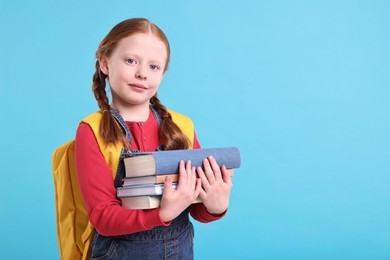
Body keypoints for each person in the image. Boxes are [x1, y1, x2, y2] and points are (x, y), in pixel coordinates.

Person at [74, 18, 232, 259]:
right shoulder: (91, 130)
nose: (141, 74)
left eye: (153, 67)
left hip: (179, 250)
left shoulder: (182, 126)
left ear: (162, 74)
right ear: (105, 63)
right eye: (130, 61)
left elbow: (196, 208)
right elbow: (103, 217)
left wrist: (216, 205)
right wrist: (161, 214)